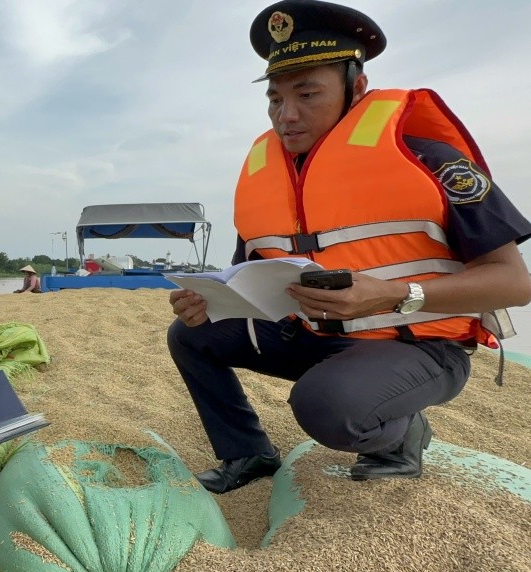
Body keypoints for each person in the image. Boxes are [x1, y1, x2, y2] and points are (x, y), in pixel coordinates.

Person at [167, 0, 531, 495]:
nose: (286, 115)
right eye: (274, 99)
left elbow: (513, 282)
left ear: (356, 89)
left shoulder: (429, 160)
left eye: (308, 94)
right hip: (315, 335)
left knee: (325, 408)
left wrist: (390, 294)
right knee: (190, 335)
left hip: (415, 344)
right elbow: (247, 275)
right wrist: (209, 300)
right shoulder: (264, 175)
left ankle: (403, 432)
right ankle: (246, 453)